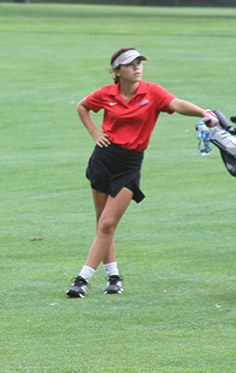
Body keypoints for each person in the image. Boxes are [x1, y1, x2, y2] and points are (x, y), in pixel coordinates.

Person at [67, 47, 217, 298]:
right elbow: (83, 106)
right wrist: (95, 132)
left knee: (108, 223)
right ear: (117, 71)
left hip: (129, 164)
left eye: (139, 63)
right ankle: (113, 277)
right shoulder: (107, 93)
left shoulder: (153, 92)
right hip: (103, 159)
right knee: (103, 223)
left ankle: (82, 280)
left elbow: (177, 104)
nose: (137, 67)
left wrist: (204, 112)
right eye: (130, 64)